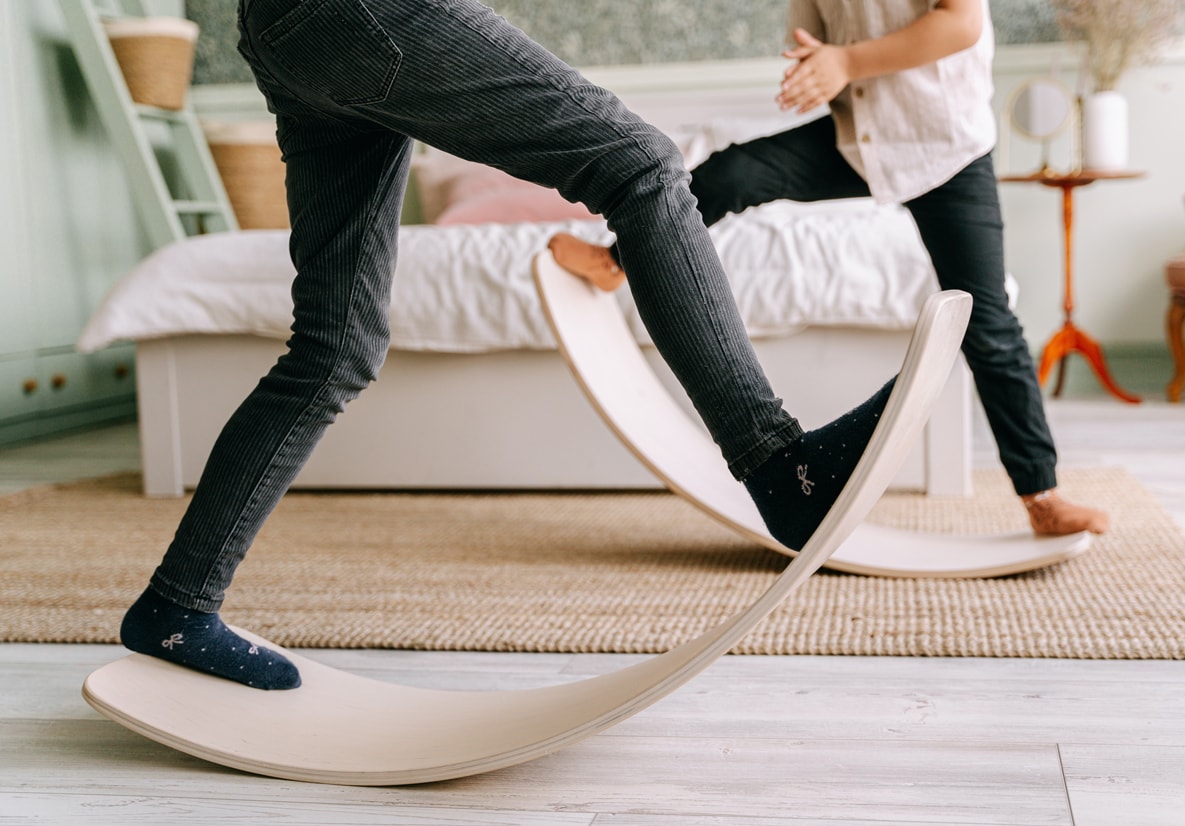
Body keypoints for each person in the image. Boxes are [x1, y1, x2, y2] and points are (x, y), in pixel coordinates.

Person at [117, 0, 902, 690]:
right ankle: (780, 467)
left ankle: (178, 605)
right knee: (643, 167)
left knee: (334, 343)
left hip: (284, 25)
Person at [550, 0, 1109, 541]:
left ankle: (1043, 498)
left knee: (988, 323)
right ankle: (615, 261)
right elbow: (815, 40)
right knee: (732, 173)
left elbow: (961, 23)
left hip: (947, 148)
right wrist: (816, 66)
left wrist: (844, 62)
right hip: (860, 139)